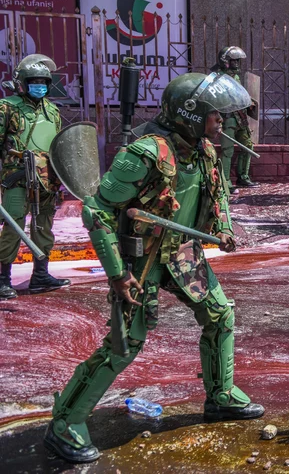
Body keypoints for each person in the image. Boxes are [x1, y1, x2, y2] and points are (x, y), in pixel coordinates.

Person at [44, 72, 265, 463]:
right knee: (123, 346)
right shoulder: (145, 154)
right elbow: (97, 210)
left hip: (183, 254)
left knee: (219, 315)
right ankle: (65, 423)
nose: (221, 122)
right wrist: (117, 272)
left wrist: (225, 227)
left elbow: (220, 195)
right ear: (190, 115)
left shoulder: (203, 150)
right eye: (214, 116)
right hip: (140, 261)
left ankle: (221, 395)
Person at [0, 54, 70, 300]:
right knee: (14, 226)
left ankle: (40, 276)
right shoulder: (7, 107)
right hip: (17, 177)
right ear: (22, 83)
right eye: (33, 81)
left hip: (46, 178)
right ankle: (2, 279)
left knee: (43, 226)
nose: (38, 85)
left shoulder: (52, 110)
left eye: (43, 81)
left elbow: (58, 145)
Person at [213, 46, 259, 193]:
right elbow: (215, 98)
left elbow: (238, 92)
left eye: (238, 60)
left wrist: (248, 101)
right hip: (227, 118)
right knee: (227, 151)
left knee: (248, 146)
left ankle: (243, 176)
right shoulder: (217, 77)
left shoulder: (236, 76)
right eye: (234, 61)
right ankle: (226, 182)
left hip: (240, 117)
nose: (237, 64)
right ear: (225, 61)